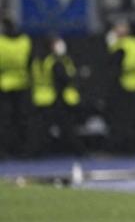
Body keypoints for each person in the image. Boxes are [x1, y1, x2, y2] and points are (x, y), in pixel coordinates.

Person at [28, 35, 85, 182]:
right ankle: (77, 151)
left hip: (38, 98)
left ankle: (35, 152)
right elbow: (61, 80)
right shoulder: (53, 61)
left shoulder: (36, 61)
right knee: (65, 126)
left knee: (40, 128)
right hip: (52, 98)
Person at [105, 19, 135, 153]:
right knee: (119, 118)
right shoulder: (116, 44)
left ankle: (131, 148)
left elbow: (134, 63)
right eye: (117, 27)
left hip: (132, 85)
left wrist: (120, 65)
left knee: (131, 118)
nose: (119, 30)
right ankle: (119, 147)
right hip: (119, 86)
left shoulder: (134, 43)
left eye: (122, 27)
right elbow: (110, 64)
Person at [0, 17, 32, 158]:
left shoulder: (1, 42)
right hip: (22, 84)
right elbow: (30, 62)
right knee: (21, 119)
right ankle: (22, 150)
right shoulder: (25, 41)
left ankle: (4, 150)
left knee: (5, 121)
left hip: (5, 85)